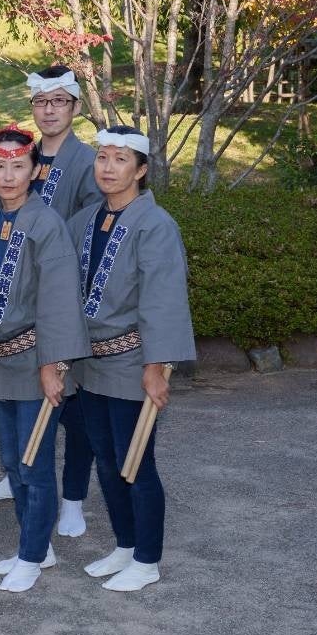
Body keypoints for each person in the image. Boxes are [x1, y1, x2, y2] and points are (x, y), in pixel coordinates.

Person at [0, 65, 104, 538]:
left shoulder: (85, 161)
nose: (49, 110)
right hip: (15, 302)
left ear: (76, 107)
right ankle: (18, 479)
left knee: (74, 416)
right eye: (42, 102)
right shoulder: (18, 153)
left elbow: (91, 231)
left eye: (59, 101)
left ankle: (72, 499)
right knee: (27, 430)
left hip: (64, 302)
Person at [0, 124, 91, 593]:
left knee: (34, 463)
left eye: (19, 166)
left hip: (37, 362)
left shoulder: (47, 224)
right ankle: (37, 546)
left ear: (36, 171)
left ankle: (32, 556)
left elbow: (59, 300)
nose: (9, 175)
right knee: (13, 461)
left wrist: (52, 366)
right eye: (0, 166)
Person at [69, 126, 194, 592]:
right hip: (91, 363)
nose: (108, 167)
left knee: (136, 460)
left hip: (133, 360)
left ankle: (147, 559)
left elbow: (162, 299)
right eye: (102, 157)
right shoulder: (85, 219)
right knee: (105, 459)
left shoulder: (155, 224)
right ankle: (125, 544)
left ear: (141, 171)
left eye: (120, 160)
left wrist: (155, 368)